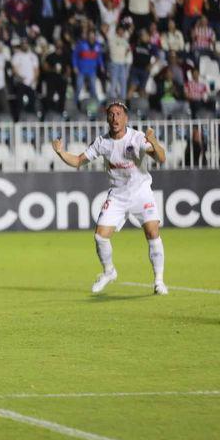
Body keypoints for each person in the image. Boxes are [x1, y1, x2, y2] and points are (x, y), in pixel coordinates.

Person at [51, 102, 168, 295]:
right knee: (100, 236)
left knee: (152, 232)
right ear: (107, 118)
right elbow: (79, 161)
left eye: (118, 114)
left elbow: (161, 158)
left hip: (141, 192)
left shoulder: (137, 138)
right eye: (111, 115)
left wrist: (154, 141)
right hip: (118, 194)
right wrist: (60, 152)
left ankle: (159, 281)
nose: (115, 118)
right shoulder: (102, 142)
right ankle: (109, 271)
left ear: (125, 118)